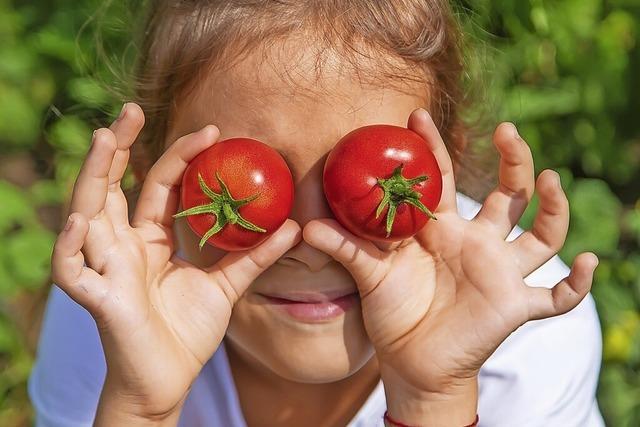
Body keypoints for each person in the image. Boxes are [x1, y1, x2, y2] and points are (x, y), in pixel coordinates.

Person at [28, 1, 604, 426]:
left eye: (356, 180)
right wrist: (140, 408)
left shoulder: (525, 338)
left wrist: (434, 399)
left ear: (444, 163)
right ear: (156, 170)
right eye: (247, 176)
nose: (308, 241)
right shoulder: (111, 316)